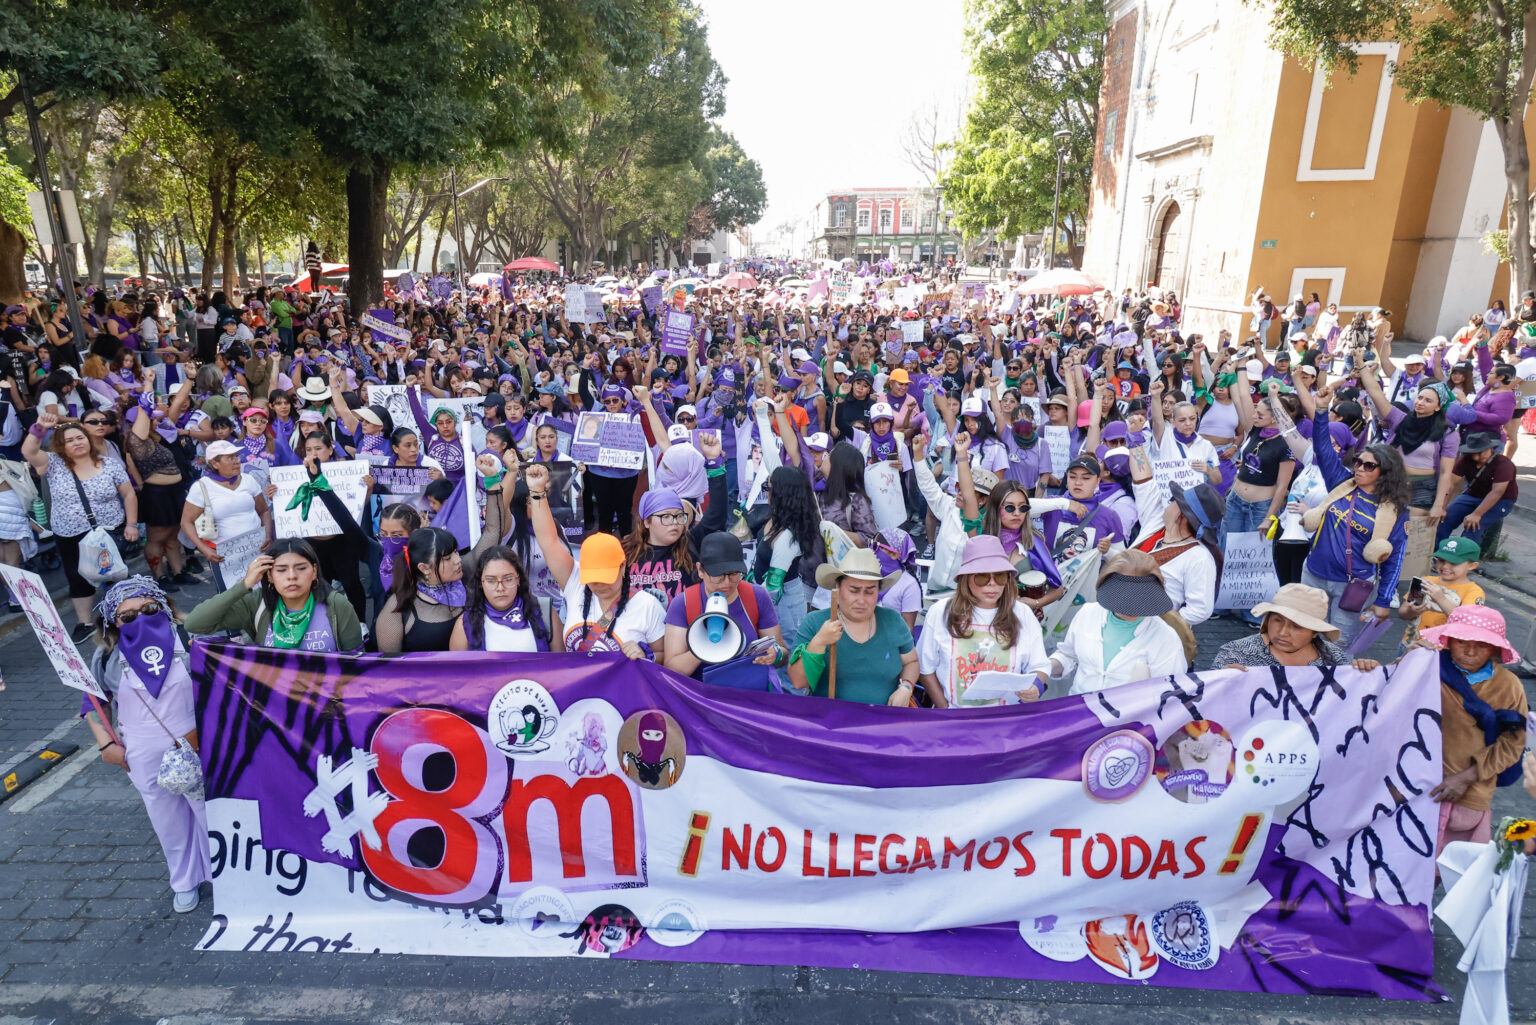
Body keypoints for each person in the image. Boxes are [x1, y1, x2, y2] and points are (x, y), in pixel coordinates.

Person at [83, 577, 211, 913]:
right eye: (128, 616)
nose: (140, 618)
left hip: (196, 740)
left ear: (164, 606)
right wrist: (106, 744)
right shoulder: (107, 656)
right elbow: (93, 705)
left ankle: (223, 873)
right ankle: (184, 881)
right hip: (141, 747)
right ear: (113, 621)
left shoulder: (190, 637)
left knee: (210, 811)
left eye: (149, 609)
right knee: (166, 817)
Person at [1300, 387, 1410, 645]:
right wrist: (1320, 410)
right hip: (1313, 573)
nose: (1360, 468)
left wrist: (1383, 600)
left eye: (1369, 466)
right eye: (1359, 462)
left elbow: (1395, 557)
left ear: (1385, 472)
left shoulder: (1395, 510)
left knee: (1337, 643)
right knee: (1302, 634)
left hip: (1352, 585)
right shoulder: (1341, 483)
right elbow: (1324, 448)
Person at [528, 463, 667, 658]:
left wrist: (645, 656)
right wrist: (537, 492)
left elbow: (664, 655)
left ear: (623, 567)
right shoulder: (574, 582)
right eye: (592, 577)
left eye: (606, 577)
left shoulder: (647, 606)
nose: (599, 584)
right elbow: (548, 541)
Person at [1421, 606, 1529, 854]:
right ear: (1448, 641)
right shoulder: (1426, 667)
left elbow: (1513, 743)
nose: (1470, 651)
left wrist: (1466, 777)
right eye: (1462, 642)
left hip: (1471, 791)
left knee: (1452, 869)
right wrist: (1373, 666)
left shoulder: (1509, 686)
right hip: (1417, 785)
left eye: (1481, 645)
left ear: (1494, 649)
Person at [23, 411, 138, 641]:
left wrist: (132, 524)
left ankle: (126, 615)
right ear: (61, 446)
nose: (76, 443)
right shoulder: (53, 464)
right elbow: (28, 452)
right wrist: (39, 427)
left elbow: (128, 494)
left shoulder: (110, 464)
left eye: (80, 438)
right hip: (70, 533)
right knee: (77, 577)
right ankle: (84, 623)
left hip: (108, 529)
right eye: (69, 440)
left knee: (114, 573)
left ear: (88, 439)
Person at [918, 536, 1051, 707]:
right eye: (982, 577)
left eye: (1000, 576)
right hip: (955, 721)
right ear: (966, 578)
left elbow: (1039, 665)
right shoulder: (941, 612)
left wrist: (1035, 688)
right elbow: (925, 668)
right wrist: (947, 711)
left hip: (1007, 722)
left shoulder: (1023, 614)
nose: (992, 584)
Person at [786, 547, 918, 705]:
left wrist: (906, 686)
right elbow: (798, 681)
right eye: (854, 590)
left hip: (883, 722)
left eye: (870, 592)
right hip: (830, 724)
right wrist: (819, 642)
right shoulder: (814, 623)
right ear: (838, 587)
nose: (862, 600)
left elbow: (911, 662)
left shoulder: (893, 621)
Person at [183, 538, 363, 651]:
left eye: (301, 568)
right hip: (272, 706)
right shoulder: (256, 603)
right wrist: (244, 585)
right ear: (269, 575)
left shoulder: (337, 605)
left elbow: (356, 663)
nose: (292, 576)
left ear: (314, 571)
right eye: (281, 570)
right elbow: (195, 624)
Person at [1049, 550, 1187, 694]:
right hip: (1082, 710)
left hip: (1132, 716)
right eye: (1124, 597)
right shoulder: (1087, 613)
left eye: (1139, 599)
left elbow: (1171, 692)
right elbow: (1068, 655)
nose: (1131, 606)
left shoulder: (1165, 638)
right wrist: (1045, 669)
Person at [663, 532, 785, 680]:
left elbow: (783, 652)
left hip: (749, 693)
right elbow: (671, 669)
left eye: (734, 574)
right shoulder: (683, 603)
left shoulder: (757, 596)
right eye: (718, 576)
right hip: (701, 696)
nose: (726, 583)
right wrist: (702, 647)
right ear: (700, 570)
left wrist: (775, 654)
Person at [1209, 584, 1380, 671]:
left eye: (1297, 627)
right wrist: (1222, 678)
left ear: (1314, 633)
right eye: (1277, 620)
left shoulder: (1335, 661)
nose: (1283, 633)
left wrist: (1365, 673)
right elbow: (1208, 698)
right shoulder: (1237, 653)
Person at [180, 439, 270, 588]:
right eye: (230, 458)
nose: (237, 461)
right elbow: (186, 522)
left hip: (255, 550)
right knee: (232, 601)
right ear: (215, 464)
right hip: (223, 556)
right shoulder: (202, 487)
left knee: (264, 594)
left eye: (236, 456)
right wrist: (204, 550)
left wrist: (267, 534)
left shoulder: (249, 480)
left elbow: (264, 510)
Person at [752, 464, 824, 642]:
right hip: (775, 601)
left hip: (782, 607)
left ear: (781, 494)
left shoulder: (786, 538)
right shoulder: (779, 521)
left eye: (768, 488)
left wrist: (747, 594)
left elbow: (773, 587)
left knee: (784, 661)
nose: (766, 493)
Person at [449, 545, 561, 652]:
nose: (500, 588)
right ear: (480, 583)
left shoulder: (545, 612)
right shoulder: (465, 623)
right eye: (491, 580)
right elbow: (457, 671)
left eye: (508, 579)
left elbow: (562, 666)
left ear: (518, 579)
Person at [375, 527, 464, 653]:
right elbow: (390, 667)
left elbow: (491, 533)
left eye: (456, 552)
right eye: (447, 558)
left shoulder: (465, 580)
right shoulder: (397, 608)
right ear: (424, 568)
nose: (458, 560)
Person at [1399, 537, 1485, 649]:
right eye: (1441, 560)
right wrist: (1412, 611)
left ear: (1472, 566)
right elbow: (1402, 613)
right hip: (1410, 644)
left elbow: (1466, 623)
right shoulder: (1426, 581)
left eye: (1454, 563)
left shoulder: (1474, 592)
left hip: (1441, 652)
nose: (1445, 566)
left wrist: (1441, 599)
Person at [1437, 431, 1517, 546]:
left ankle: (1462, 560)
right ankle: (1437, 553)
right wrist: (1442, 507)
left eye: (1485, 450)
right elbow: (1450, 483)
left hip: (1501, 500)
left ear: (1491, 448)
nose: (1482, 455)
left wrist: (1477, 514)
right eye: (1477, 452)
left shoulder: (1504, 464)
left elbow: (1497, 492)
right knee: (1445, 519)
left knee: (1474, 526)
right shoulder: (1465, 460)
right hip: (1473, 495)